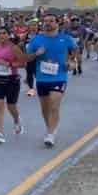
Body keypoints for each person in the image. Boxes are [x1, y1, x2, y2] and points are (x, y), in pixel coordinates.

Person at [26, 13, 79, 147]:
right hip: (42, 78)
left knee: (54, 105)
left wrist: (71, 63)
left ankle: (50, 134)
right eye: (45, 21)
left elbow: (74, 54)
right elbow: (27, 58)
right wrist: (36, 54)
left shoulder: (66, 39)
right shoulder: (36, 40)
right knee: (45, 109)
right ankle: (50, 128)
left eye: (51, 21)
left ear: (57, 23)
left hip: (59, 77)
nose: (48, 23)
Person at [0, 28, 24, 144]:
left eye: (4, 33)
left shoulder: (14, 48)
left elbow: (23, 63)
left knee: (11, 106)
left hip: (11, 80)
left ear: (8, 35)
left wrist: (9, 64)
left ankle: (17, 119)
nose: (1, 35)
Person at [22, 20, 40, 97]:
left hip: (39, 58)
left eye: (35, 25)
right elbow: (23, 47)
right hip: (29, 57)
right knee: (29, 74)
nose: (33, 27)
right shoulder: (25, 36)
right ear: (28, 27)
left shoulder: (40, 35)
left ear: (37, 27)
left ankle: (41, 88)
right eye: (31, 25)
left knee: (38, 74)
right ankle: (31, 89)